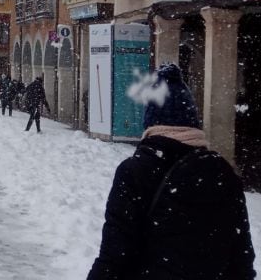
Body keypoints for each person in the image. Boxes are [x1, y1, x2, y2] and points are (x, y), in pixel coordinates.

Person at [87, 64, 255, 279]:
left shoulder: (134, 172)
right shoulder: (223, 173)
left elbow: (114, 256)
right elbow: (242, 258)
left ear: (151, 122)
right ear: (192, 121)